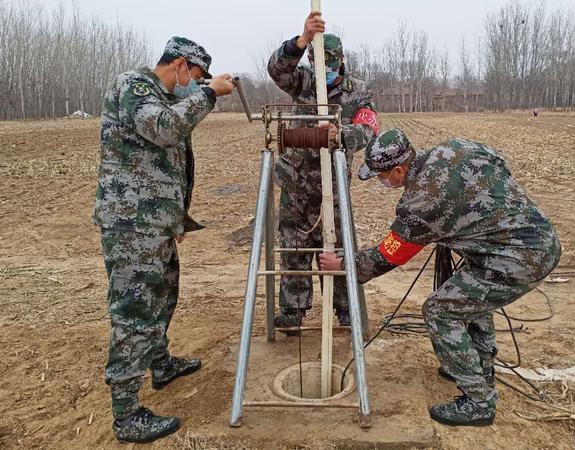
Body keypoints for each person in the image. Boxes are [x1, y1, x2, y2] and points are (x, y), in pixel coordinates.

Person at [320, 128, 561, 427]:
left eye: (382, 177)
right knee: (469, 297)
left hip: (519, 259)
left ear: (398, 170)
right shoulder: (455, 148)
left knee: (440, 310)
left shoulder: (421, 203)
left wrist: (343, 264)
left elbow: (387, 256)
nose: (381, 183)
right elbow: (498, 162)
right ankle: (477, 366)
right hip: (537, 237)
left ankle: (478, 402)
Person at [92, 36, 235, 443]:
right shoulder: (134, 87)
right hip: (131, 226)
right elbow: (164, 130)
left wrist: (174, 219)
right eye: (196, 75)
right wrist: (208, 95)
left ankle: (160, 362)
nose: (197, 81)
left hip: (154, 224)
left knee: (163, 296)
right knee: (135, 310)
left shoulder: (161, 95)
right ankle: (127, 414)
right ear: (179, 65)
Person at [267, 12, 379, 329]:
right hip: (296, 182)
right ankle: (293, 311)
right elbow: (276, 69)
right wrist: (301, 40)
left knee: (338, 247)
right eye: (318, 64)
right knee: (294, 246)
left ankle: (344, 309)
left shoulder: (359, 91)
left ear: (341, 61)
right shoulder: (302, 81)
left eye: (329, 64)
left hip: (334, 184)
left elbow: (369, 127)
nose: (324, 71)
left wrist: (341, 136)